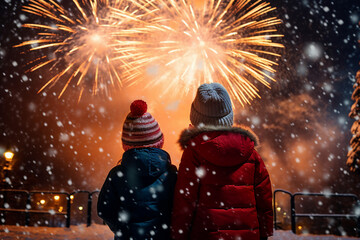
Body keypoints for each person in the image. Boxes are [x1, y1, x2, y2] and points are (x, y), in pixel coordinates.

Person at [171, 83, 273, 240]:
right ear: (229, 119)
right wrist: (265, 233)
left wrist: (178, 235)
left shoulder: (194, 153)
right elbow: (264, 198)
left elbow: (185, 201)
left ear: (196, 120)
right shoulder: (251, 154)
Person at [98, 100, 177, 240]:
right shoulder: (171, 174)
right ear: (160, 142)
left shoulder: (117, 175)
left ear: (126, 145)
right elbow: (181, 208)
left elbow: (104, 209)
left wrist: (122, 228)